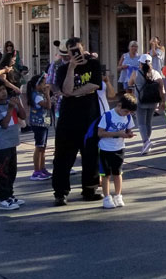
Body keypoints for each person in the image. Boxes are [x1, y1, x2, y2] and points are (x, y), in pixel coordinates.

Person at [51, 38, 104, 206]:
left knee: (90, 155)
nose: (76, 54)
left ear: (84, 48)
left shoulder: (93, 64)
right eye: (72, 51)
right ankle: (61, 193)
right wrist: (72, 67)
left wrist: (73, 93)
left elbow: (94, 85)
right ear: (68, 52)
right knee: (63, 157)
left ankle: (90, 189)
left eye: (78, 50)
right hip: (68, 119)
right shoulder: (62, 69)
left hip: (89, 117)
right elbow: (65, 89)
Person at [0, 77, 27, 211]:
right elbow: (4, 124)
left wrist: (18, 104)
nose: (3, 93)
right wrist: (10, 109)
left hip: (12, 143)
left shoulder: (9, 102)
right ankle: (3, 199)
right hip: (1, 144)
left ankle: (10, 195)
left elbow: (23, 117)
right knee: (2, 172)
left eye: (3, 89)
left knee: (12, 171)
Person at [97, 93, 137, 209]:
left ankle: (118, 195)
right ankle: (107, 197)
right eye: (126, 111)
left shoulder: (128, 117)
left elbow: (128, 130)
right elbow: (100, 133)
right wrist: (117, 134)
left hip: (119, 148)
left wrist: (128, 134)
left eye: (129, 112)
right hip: (105, 148)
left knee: (118, 173)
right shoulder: (108, 115)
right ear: (119, 106)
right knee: (105, 174)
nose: (127, 114)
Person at [129, 54, 163, 154]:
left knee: (141, 123)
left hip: (141, 101)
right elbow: (161, 87)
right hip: (153, 101)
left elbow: (129, 83)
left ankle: (146, 141)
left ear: (140, 63)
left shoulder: (136, 73)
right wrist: (163, 101)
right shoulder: (155, 73)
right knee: (148, 122)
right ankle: (146, 142)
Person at [25, 74, 52, 180]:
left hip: (43, 123)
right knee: (39, 146)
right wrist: (48, 95)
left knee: (43, 147)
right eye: (43, 84)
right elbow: (48, 106)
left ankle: (42, 168)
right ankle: (36, 171)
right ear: (37, 85)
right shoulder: (37, 96)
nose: (45, 86)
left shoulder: (39, 94)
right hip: (38, 124)